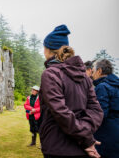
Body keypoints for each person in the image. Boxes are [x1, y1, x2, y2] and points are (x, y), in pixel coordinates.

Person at [39, 24, 103, 158]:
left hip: (57, 147)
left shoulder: (50, 74)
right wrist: (85, 135)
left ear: (48, 50)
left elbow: (61, 113)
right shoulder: (85, 77)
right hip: (78, 148)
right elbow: (96, 110)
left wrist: (86, 140)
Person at [91, 59, 119, 158]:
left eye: (93, 71)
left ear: (99, 71)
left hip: (105, 140)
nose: (92, 75)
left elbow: (99, 115)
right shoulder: (116, 86)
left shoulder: (102, 87)